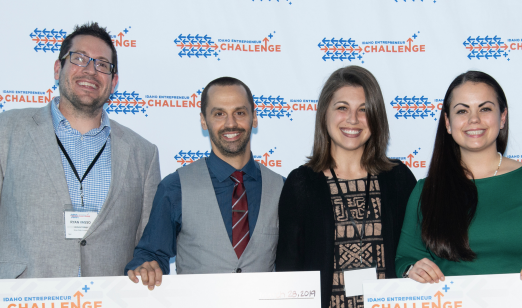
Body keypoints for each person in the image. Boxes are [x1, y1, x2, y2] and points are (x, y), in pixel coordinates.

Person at [0, 22, 161, 278]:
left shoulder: (144, 154)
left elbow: (149, 245)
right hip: (24, 296)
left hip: (109, 298)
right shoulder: (6, 131)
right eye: (79, 59)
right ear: (57, 68)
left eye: (102, 64)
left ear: (114, 80)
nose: (90, 70)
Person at [395, 71, 522, 284]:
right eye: (462, 111)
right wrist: (412, 269)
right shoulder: (426, 190)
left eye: (485, 109)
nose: (474, 119)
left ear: (502, 117)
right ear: (447, 122)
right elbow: (405, 258)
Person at [277, 66, 417, 308]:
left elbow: (415, 253)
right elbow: (289, 269)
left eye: (364, 110)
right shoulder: (301, 184)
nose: (353, 119)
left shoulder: (399, 179)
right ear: (324, 114)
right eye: (342, 108)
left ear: (376, 118)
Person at [125, 77, 284, 290]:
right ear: (203, 120)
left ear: (254, 118)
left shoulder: (284, 189)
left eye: (240, 112)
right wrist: (145, 267)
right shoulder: (175, 187)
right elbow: (152, 254)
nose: (230, 123)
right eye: (219, 114)